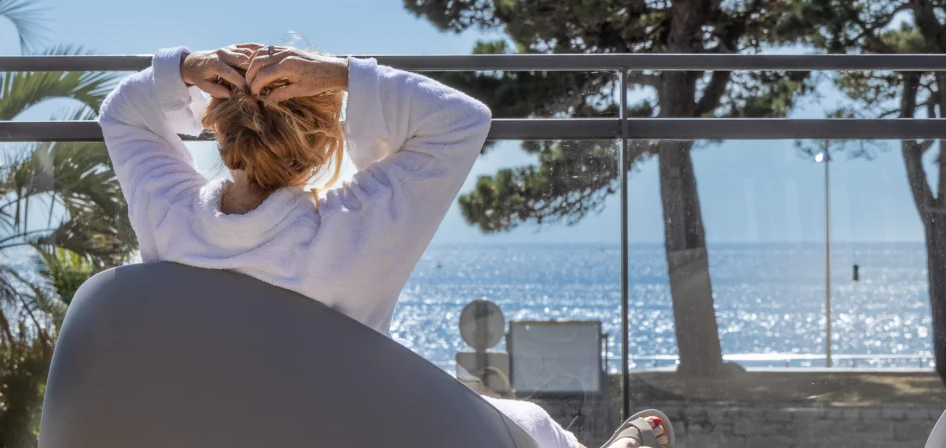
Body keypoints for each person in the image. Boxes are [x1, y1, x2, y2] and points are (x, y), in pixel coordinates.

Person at [96, 43, 672, 448]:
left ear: (219, 134)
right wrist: (341, 74)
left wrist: (188, 69)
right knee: (526, 425)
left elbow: (121, 112)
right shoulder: (352, 230)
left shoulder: (168, 219)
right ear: (325, 144)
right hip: (341, 435)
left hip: (210, 434)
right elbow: (462, 120)